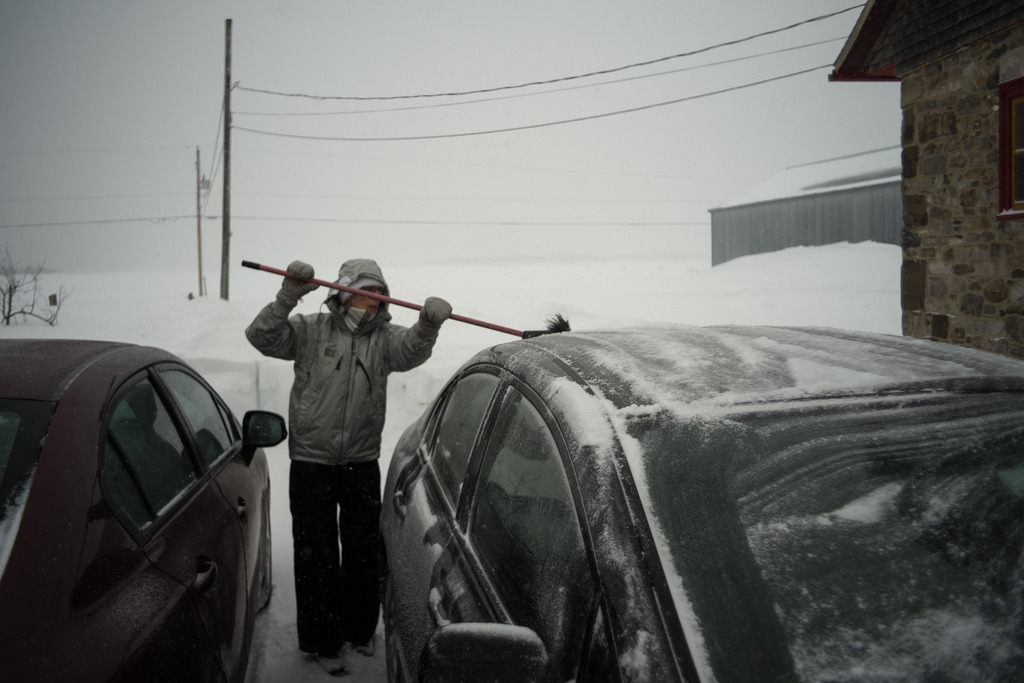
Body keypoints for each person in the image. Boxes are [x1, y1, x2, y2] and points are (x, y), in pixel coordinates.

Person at [245, 258, 451, 677]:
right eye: (363, 291)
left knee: (360, 552)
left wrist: (428, 325)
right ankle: (323, 640)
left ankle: (359, 631)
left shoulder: (385, 340)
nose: (370, 302)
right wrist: (288, 294)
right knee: (315, 554)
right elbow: (261, 336)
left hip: (360, 461)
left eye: (378, 294)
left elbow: (412, 349)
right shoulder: (309, 330)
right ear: (342, 291)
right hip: (311, 463)